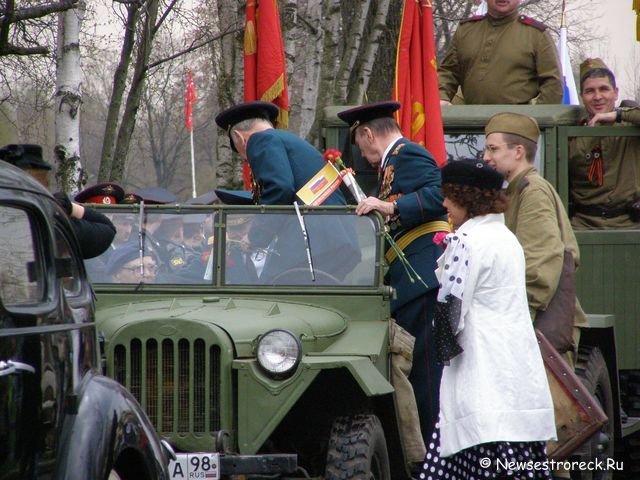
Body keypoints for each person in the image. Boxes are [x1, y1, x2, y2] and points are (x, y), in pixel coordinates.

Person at [420, 158, 556, 480]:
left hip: (480, 382)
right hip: (516, 377)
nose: (444, 204)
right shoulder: (507, 239)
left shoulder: (465, 243)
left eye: (449, 196)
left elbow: (449, 316)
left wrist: (440, 353)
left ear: (466, 198)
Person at [337, 101, 449, 448]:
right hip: (413, 280)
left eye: (359, 143)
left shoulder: (408, 154)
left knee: (428, 377)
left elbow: (438, 195)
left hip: (423, 281)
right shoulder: (395, 160)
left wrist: (389, 206)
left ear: (368, 133)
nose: (362, 153)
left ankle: (436, 456)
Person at [483, 113, 587, 480]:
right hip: (534, 328)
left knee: (546, 440)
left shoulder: (533, 191)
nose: (487, 156)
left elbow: (539, 265)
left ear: (518, 151)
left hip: (539, 331)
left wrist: (515, 320)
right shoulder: (518, 189)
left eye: (494, 149)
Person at [215, 102, 360, 283]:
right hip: (336, 240)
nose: (247, 160)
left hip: (313, 243)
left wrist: (255, 237)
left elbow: (279, 188)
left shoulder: (260, 140)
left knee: (271, 290)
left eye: (243, 156)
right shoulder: (289, 141)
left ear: (238, 137)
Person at [0, 144, 116, 259]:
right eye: (39, 178)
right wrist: (69, 207)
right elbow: (107, 230)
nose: (45, 183)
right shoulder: (41, 219)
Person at [438, 0, 562, 105]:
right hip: (470, 123)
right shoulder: (466, 30)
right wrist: (441, 98)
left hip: (517, 125)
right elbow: (448, 72)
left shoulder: (536, 34)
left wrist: (536, 119)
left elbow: (552, 84)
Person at [568, 57, 640, 229]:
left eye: (604, 89)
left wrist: (618, 115)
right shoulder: (572, 134)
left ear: (615, 92)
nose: (597, 97)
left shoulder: (631, 127)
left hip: (630, 224)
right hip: (585, 224)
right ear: (582, 96)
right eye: (590, 91)